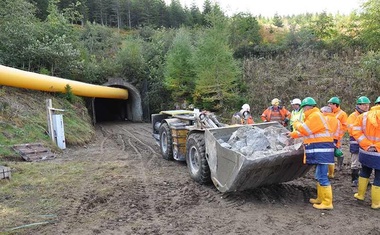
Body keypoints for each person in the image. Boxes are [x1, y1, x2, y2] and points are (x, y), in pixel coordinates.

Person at [287, 97, 335, 210]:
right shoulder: (314, 116)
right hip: (320, 150)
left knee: (322, 176)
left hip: (322, 150)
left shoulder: (315, 116)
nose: (303, 110)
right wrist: (292, 134)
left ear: (307, 107)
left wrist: (296, 123)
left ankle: (327, 203)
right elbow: (308, 131)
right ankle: (320, 198)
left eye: (303, 108)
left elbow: (304, 130)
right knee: (319, 175)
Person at [351, 96, 380, 209]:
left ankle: (360, 195)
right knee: (378, 177)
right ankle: (376, 203)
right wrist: (376, 146)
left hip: (366, 151)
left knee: (364, 172)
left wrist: (367, 145)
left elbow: (356, 131)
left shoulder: (363, 116)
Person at [347, 96, 371, 187]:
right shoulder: (353, 116)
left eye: (367, 104)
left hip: (366, 143)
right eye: (364, 105)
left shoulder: (369, 115)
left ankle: (364, 180)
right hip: (355, 142)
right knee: (355, 161)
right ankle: (355, 179)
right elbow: (351, 130)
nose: (366, 106)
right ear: (359, 105)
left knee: (365, 161)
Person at [321, 106, 342, 179]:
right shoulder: (337, 120)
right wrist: (337, 143)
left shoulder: (323, 119)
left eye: (322, 111)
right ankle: (331, 174)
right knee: (331, 157)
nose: (321, 113)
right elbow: (340, 132)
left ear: (325, 112)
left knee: (324, 157)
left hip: (325, 140)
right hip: (334, 140)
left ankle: (324, 173)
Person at [328, 97, 348, 171]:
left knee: (338, 150)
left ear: (335, 104)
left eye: (330, 104)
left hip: (338, 136)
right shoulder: (330, 112)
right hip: (330, 136)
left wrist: (339, 135)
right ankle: (331, 165)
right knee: (330, 150)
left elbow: (345, 126)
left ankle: (339, 166)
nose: (328, 105)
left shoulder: (342, 114)